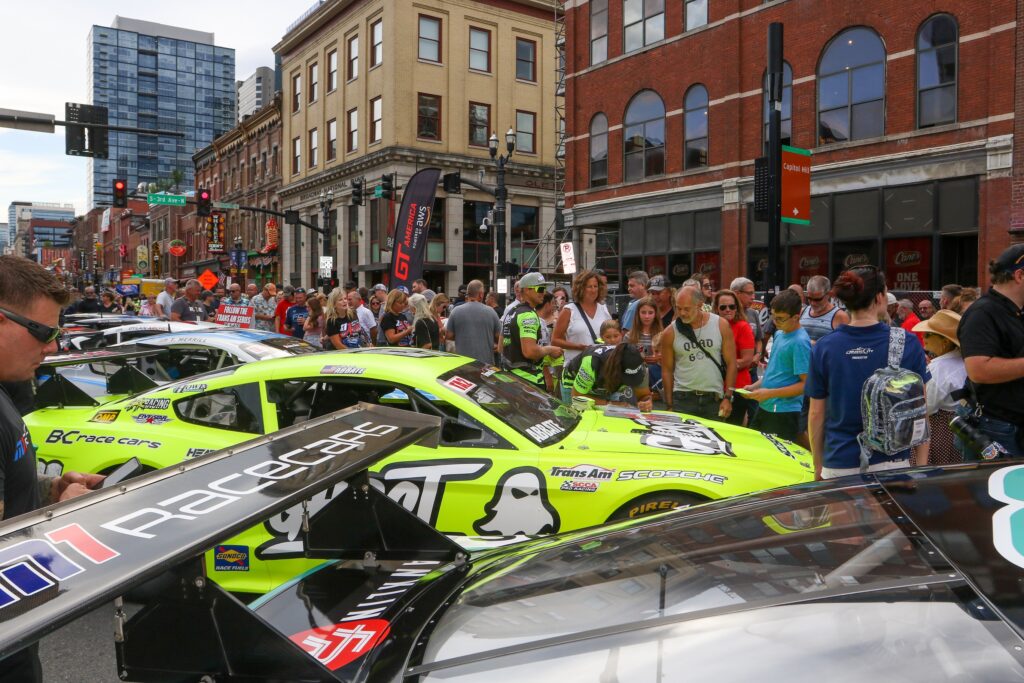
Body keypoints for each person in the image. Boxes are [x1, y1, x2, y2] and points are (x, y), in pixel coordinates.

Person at [0, 255, 104, 681]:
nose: (53, 347)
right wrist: (59, 518)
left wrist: (51, 491)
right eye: (43, 332)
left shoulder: (6, 389)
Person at [807, 266, 931, 479]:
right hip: (893, 460)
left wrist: (818, 465)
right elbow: (920, 409)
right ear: (880, 296)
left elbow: (816, 413)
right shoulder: (906, 342)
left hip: (839, 461)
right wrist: (919, 465)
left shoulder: (824, 347)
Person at [957, 244, 1024, 456]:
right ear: (1020, 275)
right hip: (995, 427)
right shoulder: (983, 312)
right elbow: (979, 370)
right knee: (992, 489)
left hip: (1012, 425)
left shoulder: (1017, 311)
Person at [660, 283, 736, 421]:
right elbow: (666, 370)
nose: (682, 313)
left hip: (713, 399)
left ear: (700, 305)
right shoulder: (670, 332)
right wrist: (669, 405)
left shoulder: (721, 325)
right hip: (683, 398)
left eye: (687, 309)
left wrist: (728, 397)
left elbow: (732, 363)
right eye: (679, 308)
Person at [743, 290, 811, 442]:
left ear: (796, 317)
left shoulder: (799, 342)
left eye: (780, 318)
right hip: (767, 406)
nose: (775, 322)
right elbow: (775, 372)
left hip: (784, 411)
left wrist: (770, 393)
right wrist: (754, 386)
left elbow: (806, 385)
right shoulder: (780, 333)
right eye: (773, 316)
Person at [912, 309, 966, 465]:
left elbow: (926, 407)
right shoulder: (964, 361)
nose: (923, 337)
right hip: (960, 428)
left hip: (941, 431)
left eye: (929, 334)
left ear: (945, 341)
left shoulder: (939, 369)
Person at [552, 269, 611, 402]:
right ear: (581, 288)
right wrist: (580, 347)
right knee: (572, 414)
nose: (593, 290)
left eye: (595, 286)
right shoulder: (569, 310)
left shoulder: (604, 309)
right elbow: (555, 340)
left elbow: (611, 334)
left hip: (598, 371)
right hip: (574, 369)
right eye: (589, 286)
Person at [501, 272, 563, 388]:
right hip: (528, 381)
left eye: (544, 289)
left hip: (510, 377)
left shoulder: (512, 312)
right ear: (527, 290)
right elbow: (530, 352)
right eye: (540, 289)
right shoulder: (529, 315)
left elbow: (501, 347)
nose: (543, 292)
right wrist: (550, 349)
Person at [563, 342, 653, 411]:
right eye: (626, 377)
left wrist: (646, 402)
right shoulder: (592, 362)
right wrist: (612, 404)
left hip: (604, 386)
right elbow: (576, 396)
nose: (629, 382)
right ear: (617, 370)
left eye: (633, 377)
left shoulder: (640, 366)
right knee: (579, 419)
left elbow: (644, 395)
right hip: (575, 385)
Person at [715, 289, 756, 427]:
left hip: (738, 386)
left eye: (732, 306)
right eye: (723, 307)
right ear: (716, 309)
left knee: (732, 427)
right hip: (715, 386)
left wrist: (720, 365)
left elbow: (747, 360)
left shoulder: (743, 327)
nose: (728, 310)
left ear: (737, 307)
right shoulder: (713, 326)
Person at [446, 280, 502, 365]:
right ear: (480, 294)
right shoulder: (491, 312)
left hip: (462, 364)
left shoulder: (456, 311)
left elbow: (448, 336)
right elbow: (500, 337)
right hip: (486, 364)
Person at [627, 296, 663, 401]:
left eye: (650, 312)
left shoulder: (663, 335)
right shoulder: (629, 336)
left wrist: (659, 358)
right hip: (636, 382)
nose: (647, 316)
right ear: (638, 314)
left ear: (655, 314)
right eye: (643, 312)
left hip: (658, 382)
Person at [731, 277, 765, 381]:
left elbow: (759, 339)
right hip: (733, 371)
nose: (753, 297)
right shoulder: (727, 314)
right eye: (749, 293)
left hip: (752, 372)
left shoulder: (753, 313)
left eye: (753, 293)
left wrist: (758, 355)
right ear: (737, 293)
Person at [800, 275, 849, 344]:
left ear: (828, 294)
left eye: (817, 299)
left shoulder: (840, 316)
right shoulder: (802, 312)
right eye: (809, 298)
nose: (813, 303)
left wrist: (817, 345)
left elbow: (845, 345)